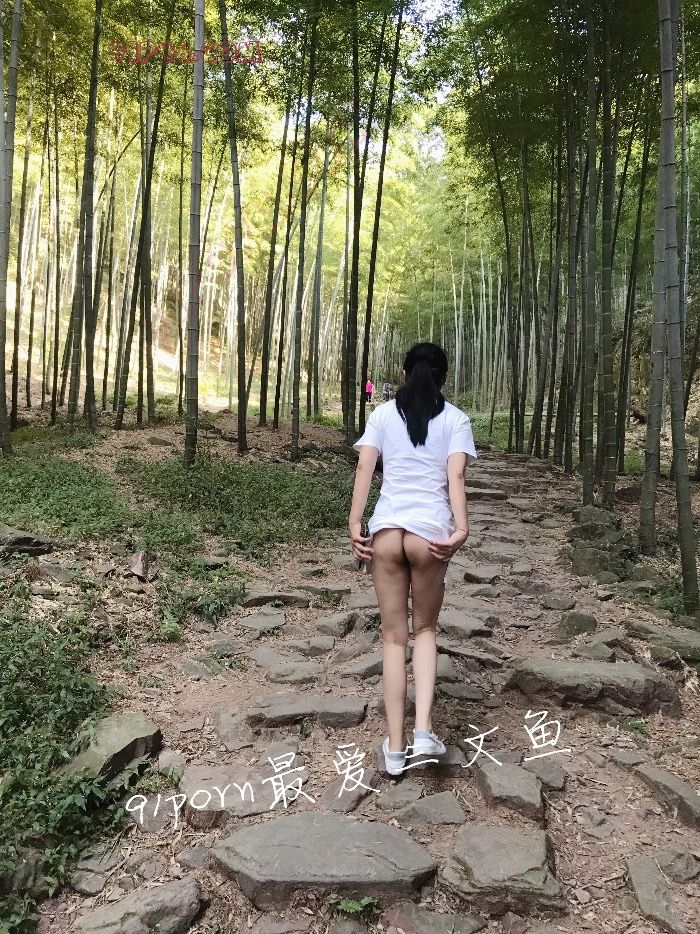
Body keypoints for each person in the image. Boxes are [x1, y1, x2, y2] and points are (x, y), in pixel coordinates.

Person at [349, 342, 477, 775]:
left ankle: (395, 747)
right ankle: (423, 731)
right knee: (424, 631)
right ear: (443, 377)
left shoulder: (382, 415)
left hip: (386, 533)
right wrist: (461, 529)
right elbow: (455, 475)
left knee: (393, 639)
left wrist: (355, 522)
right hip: (429, 536)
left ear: (405, 373)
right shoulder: (456, 419)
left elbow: (365, 468)